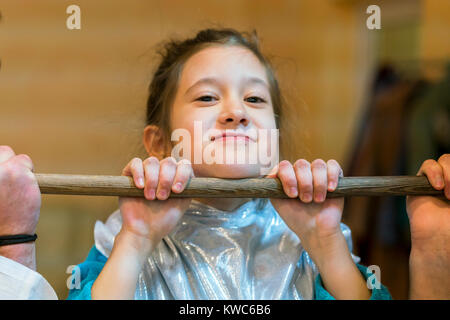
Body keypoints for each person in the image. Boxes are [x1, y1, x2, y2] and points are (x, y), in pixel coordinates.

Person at [0, 28, 448, 300]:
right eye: (208, 97)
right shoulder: (124, 230)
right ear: (158, 144)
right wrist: (136, 239)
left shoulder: (311, 233)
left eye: (254, 98)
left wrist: (323, 238)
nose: (236, 111)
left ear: (274, 141)